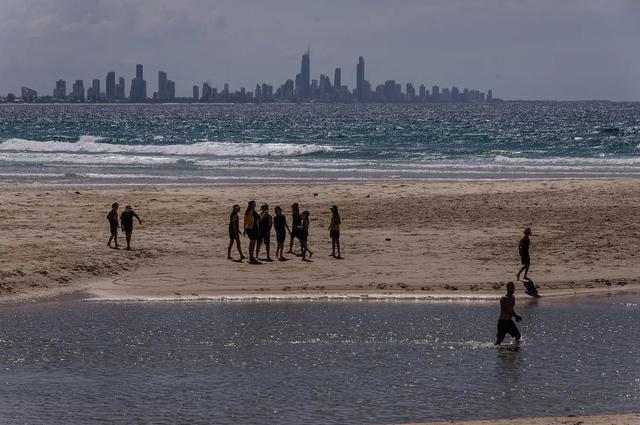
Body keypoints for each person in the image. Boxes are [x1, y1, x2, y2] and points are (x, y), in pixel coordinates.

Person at [495, 281, 522, 347]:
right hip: (503, 322)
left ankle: (516, 349)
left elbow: (511, 309)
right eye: (511, 288)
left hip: (509, 321)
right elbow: (504, 310)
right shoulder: (504, 298)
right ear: (507, 288)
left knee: (518, 336)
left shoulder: (513, 297)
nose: (513, 290)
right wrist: (515, 316)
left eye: (513, 288)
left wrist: (515, 316)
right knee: (499, 341)